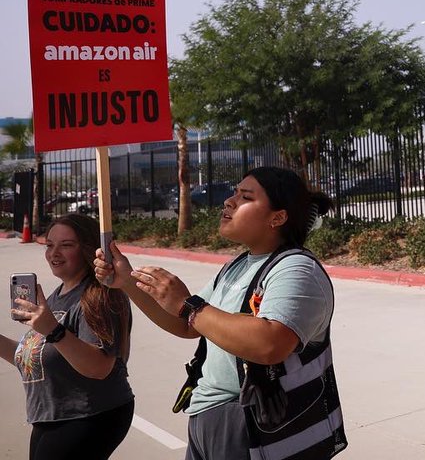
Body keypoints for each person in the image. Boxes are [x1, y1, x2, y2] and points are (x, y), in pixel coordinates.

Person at [93, 166, 346, 460]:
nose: (229, 201)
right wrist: (126, 282)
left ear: (277, 217)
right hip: (208, 415)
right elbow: (190, 326)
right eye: (234, 193)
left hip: (251, 424)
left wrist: (189, 305)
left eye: (245, 197)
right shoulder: (238, 265)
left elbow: (270, 344)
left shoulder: (296, 269)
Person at [1, 214, 134, 460]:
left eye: (66, 245)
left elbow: (100, 367)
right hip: (52, 416)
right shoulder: (59, 294)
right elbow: (36, 359)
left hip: (88, 415)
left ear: (88, 249)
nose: (55, 253)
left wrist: (52, 329)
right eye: (50, 245)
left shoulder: (100, 296)